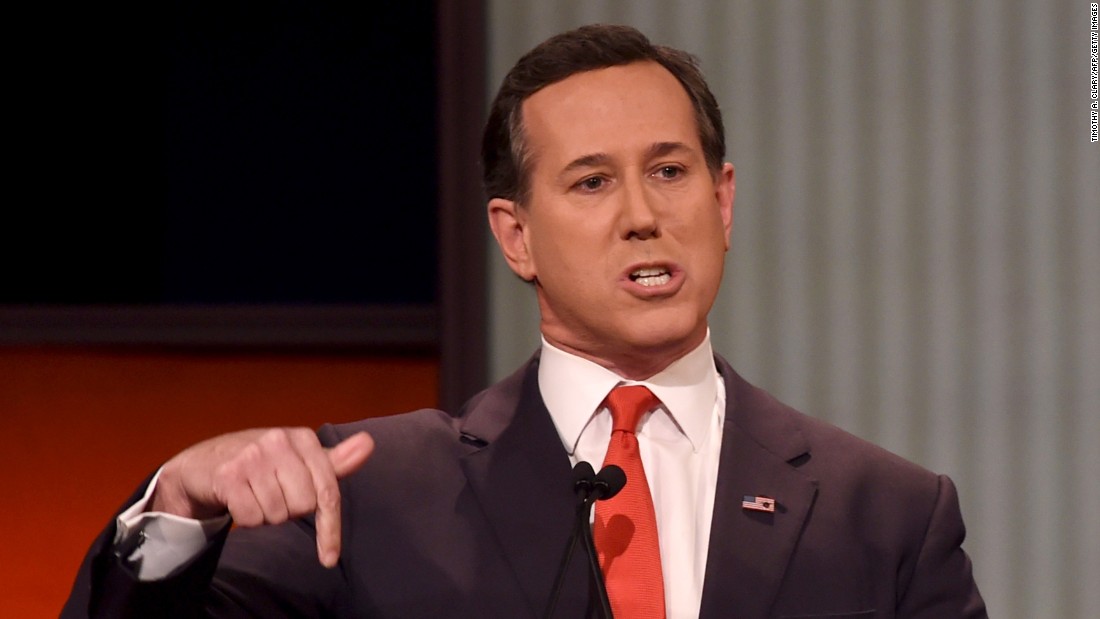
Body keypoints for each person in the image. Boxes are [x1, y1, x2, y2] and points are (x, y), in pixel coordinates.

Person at [63, 24, 986, 618]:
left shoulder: (888, 516)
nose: (642, 214)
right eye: (592, 181)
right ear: (516, 236)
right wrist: (177, 504)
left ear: (724, 199)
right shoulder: (370, 496)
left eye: (669, 171)